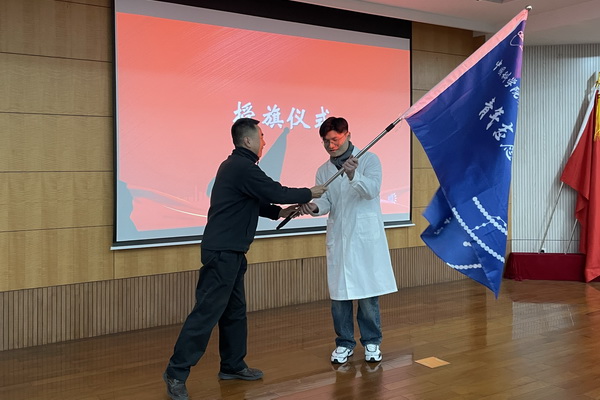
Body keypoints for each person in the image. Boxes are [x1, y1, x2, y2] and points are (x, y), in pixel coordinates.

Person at [163, 118, 327, 400]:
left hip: (233, 251)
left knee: (234, 312)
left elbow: (257, 201)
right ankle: (176, 372)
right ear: (248, 140)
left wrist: (279, 212)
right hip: (222, 253)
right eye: (261, 136)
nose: (264, 141)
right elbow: (274, 191)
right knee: (206, 313)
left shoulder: (239, 168)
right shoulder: (241, 167)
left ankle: (232, 365)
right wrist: (308, 192)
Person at [299, 116, 397, 365]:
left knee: (367, 295)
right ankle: (344, 343)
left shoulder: (369, 160)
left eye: (335, 139)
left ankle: (372, 341)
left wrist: (354, 175)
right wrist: (313, 207)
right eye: (326, 141)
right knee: (340, 297)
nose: (331, 145)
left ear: (348, 135)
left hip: (365, 239)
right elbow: (326, 202)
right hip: (340, 239)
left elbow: (371, 191)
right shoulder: (324, 170)